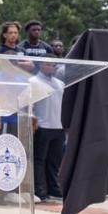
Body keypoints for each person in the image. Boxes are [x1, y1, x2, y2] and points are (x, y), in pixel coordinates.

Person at [32, 58, 65, 202]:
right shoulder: (33, 82)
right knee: (39, 160)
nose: (51, 67)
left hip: (58, 126)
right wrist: (32, 118)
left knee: (55, 161)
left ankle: (54, 190)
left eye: (53, 65)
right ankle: (40, 192)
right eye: (47, 64)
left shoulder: (60, 84)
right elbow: (29, 103)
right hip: (42, 126)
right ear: (40, 65)